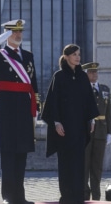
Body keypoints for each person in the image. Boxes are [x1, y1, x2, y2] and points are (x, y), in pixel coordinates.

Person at [0, 19, 39, 204]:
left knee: (21, 154)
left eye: (20, 31)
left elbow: (33, 83)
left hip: (23, 106)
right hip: (6, 107)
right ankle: (8, 197)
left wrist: (35, 107)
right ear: (7, 34)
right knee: (8, 154)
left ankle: (20, 197)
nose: (18, 35)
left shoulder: (28, 55)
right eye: (14, 32)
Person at [41, 44, 99, 204]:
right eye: (74, 54)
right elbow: (53, 102)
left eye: (79, 54)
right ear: (66, 57)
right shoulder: (59, 76)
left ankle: (78, 196)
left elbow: (89, 100)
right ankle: (66, 197)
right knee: (66, 163)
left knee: (79, 163)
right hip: (64, 129)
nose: (78, 57)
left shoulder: (82, 77)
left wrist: (91, 119)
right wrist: (56, 122)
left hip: (79, 128)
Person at [82, 62, 111, 201]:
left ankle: (96, 197)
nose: (94, 74)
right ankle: (84, 194)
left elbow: (108, 113)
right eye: (91, 72)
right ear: (85, 73)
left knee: (97, 167)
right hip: (86, 131)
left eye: (96, 72)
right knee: (84, 166)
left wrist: (109, 133)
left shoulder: (105, 89)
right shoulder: (81, 88)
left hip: (101, 131)